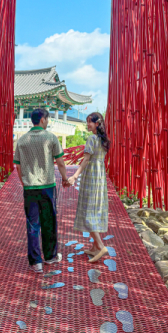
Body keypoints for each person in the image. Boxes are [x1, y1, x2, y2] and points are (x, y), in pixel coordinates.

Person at [14, 107, 70, 273]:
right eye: (48, 119)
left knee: (32, 224)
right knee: (49, 221)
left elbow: (18, 166)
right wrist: (65, 178)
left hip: (30, 187)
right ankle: (50, 256)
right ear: (43, 120)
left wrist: (24, 183)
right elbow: (60, 162)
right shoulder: (51, 137)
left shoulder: (22, 140)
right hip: (47, 187)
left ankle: (36, 262)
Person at [68, 112, 110, 263]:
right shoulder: (103, 139)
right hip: (100, 176)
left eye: (89, 122)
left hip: (91, 175)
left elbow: (86, 160)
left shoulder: (92, 138)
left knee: (88, 211)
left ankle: (100, 246)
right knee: (95, 209)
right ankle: (94, 247)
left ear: (97, 124)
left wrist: (74, 176)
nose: (87, 125)